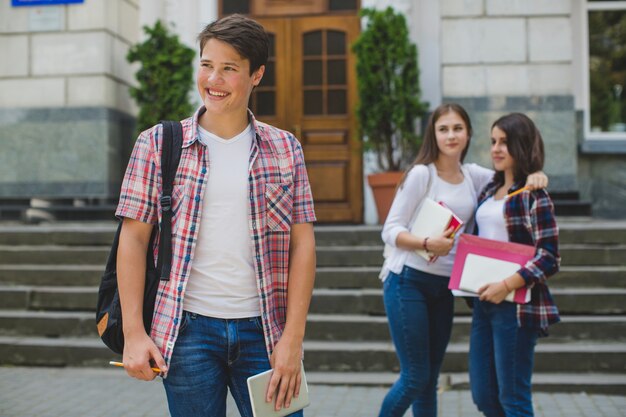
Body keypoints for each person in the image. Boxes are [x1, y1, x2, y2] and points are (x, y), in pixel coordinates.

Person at [115, 14, 316, 417]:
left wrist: (292, 340)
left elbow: (303, 245)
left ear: (256, 75)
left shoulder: (285, 148)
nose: (213, 80)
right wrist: (134, 332)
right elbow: (133, 240)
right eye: (207, 65)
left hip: (265, 332)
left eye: (229, 69)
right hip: (188, 333)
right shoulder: (157, 144)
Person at [378, 103, 548, 417]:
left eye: (457, 128)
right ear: (434, 134)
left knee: (429, 378)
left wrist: (537, 175)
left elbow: (514, 176)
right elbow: (389, 230)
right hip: (407, 281)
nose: (451, 135)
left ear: (468, 133)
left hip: (446, 287)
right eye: (443, 129)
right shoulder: (420, 174)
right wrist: (427, 242)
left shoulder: (475, 176)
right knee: (415, 376)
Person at [469, 113, 560, 417]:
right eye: (493, 141)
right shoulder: (487, 191)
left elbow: (549, 256)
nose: (496, 148)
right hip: (483, 304)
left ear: (520, 145)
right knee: (484, 397)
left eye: (504, 142)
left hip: (516, 306)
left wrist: (506, 284)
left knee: (514, 399)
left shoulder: (535, 196)